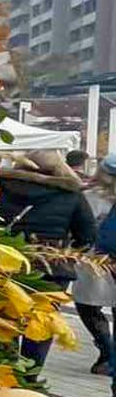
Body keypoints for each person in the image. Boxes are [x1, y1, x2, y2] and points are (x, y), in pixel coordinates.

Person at [0, 149, 96, 366]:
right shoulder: (71, 194)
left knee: (5, 319)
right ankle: (31, 376)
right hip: (52, 267)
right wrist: (68, 250)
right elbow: (87, 235)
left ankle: (7, 372)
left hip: (7, 263)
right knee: (41, 322)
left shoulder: (0, 187)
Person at [72, 155, 116, 373]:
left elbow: (79, 229)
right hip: (104, 260)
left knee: (87, 305)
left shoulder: (89, 197)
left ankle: (107, 351)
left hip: (93, 260)